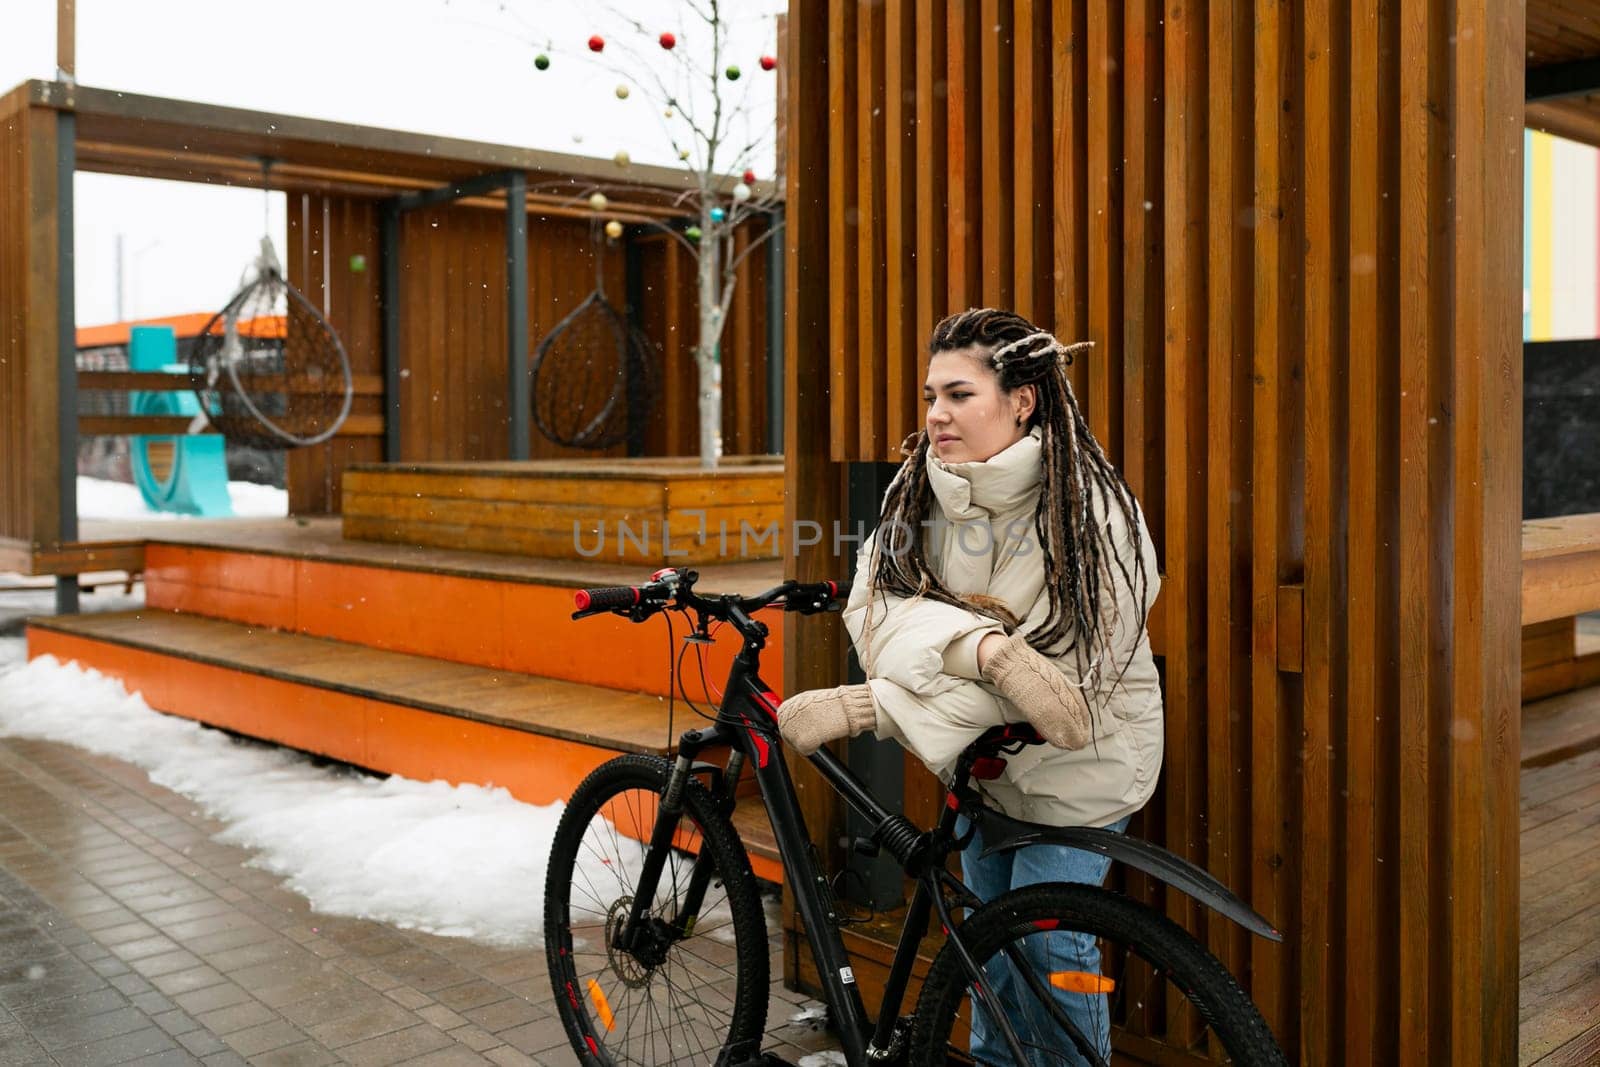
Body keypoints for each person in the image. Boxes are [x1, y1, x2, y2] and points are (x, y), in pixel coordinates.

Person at [776, 307, 1163, 1065]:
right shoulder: (916, 494)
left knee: (1051, 957)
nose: (935, 415)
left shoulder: (1093, 511)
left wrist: (871, 703)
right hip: (983, 767)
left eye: (958, 394)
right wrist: (983, 648)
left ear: (1022, 400)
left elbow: (1063, 691)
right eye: (931, 395)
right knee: (986, 956)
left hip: (1083, 768)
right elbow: (874, 614)